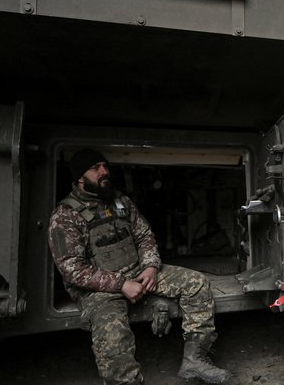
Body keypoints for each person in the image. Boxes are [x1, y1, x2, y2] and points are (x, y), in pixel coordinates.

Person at [48, 149, 231, 385]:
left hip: (137, 272)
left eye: (105, 165)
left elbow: (145, 236)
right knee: (112, 332)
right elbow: (72, 270)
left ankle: (195, 360)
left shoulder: (121, 201)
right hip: (99, 288)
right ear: (80, 178)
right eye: (96, 168)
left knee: (196, 284)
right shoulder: (65, 216)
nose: (105, 172)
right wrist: (121, 284)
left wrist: (151, 267)